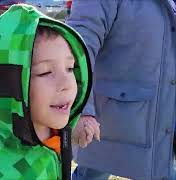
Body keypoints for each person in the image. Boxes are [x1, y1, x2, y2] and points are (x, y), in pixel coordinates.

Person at [0, 4, 100, 180]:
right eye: (46, 72)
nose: (67, 83)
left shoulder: (41, 125)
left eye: (70, 68)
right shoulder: (3, 173)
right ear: (11, 86)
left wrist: (71, 132)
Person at [66, 0, 176, 179]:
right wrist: (81, 108)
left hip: (164, 111)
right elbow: (78, 48)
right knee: (91, 174)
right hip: (109, 120)